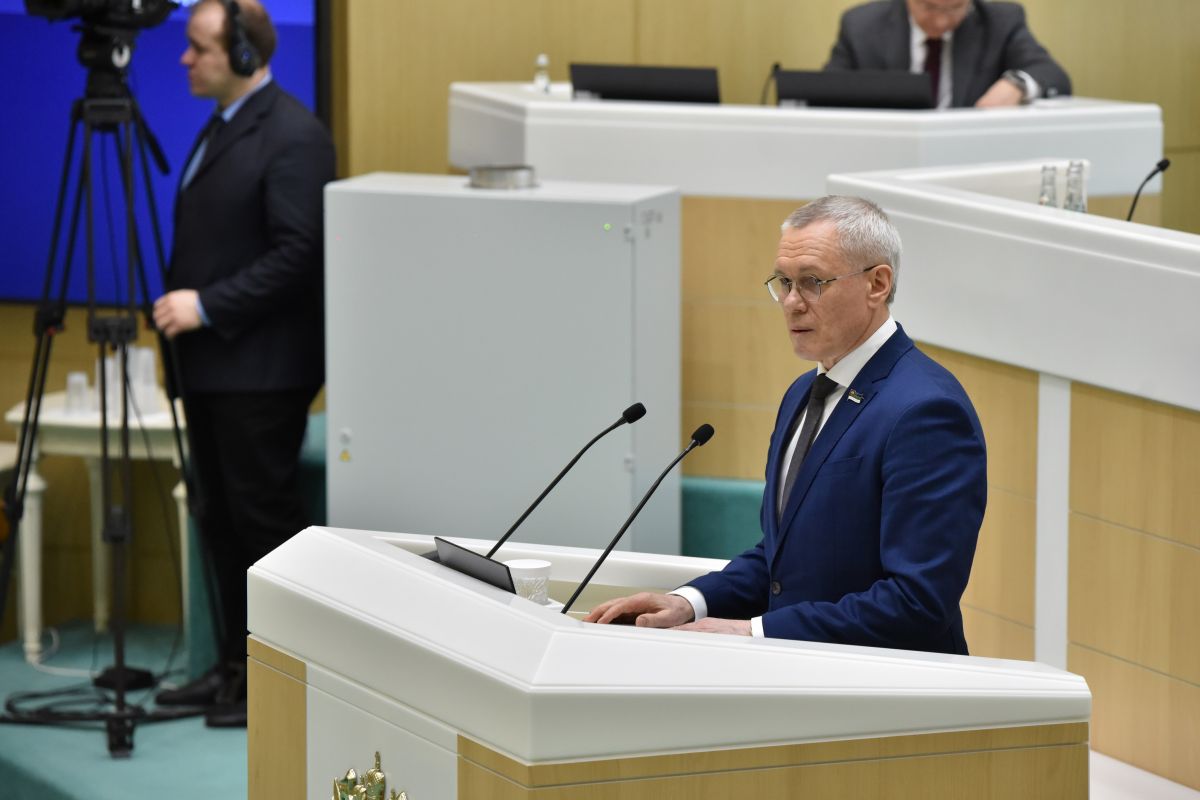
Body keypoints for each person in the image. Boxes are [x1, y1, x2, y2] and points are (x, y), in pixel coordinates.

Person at [586, 196, 987, 655]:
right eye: (784, 282)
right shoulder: (803, 392)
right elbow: (783, 561)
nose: (792, 303)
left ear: (877, 284)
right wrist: (689, 602)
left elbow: (917, 603)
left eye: (813, 282)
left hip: (887, 686)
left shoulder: (926, 411)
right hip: (799, 676)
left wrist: (753, 632)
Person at [152, 0, 335, 727]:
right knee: (220, 521)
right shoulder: (226, 124)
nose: (185, 59)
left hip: (261, 371)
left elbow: (298, 253)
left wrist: (206, 305)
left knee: (261, 524)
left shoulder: (293, 134)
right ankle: (232, 668)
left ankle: (272, 684)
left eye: (198, 47)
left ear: (246, 56)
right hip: (213, 369)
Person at [824, 0, 1071, 108]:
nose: (941, 21)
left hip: (969, 160)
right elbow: (828, 90)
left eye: (955, 7)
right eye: (928, 7)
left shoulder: (1001, 21)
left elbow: (1052, 74)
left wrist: (1016, 85)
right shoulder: (861, 24)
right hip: (885, 160)